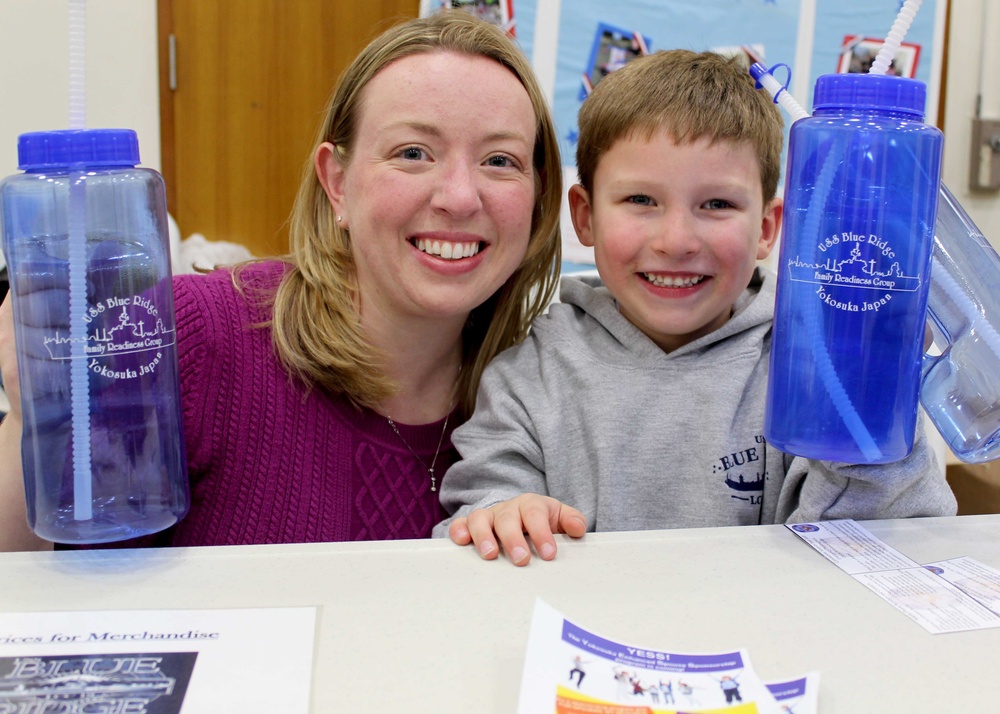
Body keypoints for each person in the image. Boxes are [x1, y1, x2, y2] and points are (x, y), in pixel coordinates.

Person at [0, 11, 562, 550]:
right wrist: (32, 418)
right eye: (413, 153)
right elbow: (30, 571)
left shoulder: (545, 388)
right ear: (337, 182)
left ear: (539, 198)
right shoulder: (186, 337)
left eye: (500, 161)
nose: (460, 197)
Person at [433, 49, 956, 565]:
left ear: (770, 229)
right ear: (585, 216)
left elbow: (893, 551)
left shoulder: (815, 368)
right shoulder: (528, 376)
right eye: (641, 200)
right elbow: (478, 517)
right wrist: (503, 514)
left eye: (717, 205)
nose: (677, 240)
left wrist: (871, 414)